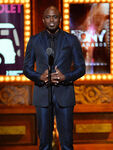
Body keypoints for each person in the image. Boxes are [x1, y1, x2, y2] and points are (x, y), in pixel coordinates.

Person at [23, 6, 85, 150]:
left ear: (60, 19)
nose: (52, 20)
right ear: (43, 20)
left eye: (55, 17)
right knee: (44, 143)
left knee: (67, 143)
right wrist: (40, 76)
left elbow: (81, 68)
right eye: (48, 17)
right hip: (42, 94)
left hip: (65, 94)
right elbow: (26, 68)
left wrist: (65, 77)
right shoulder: (34, 40)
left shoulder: (71, 40)